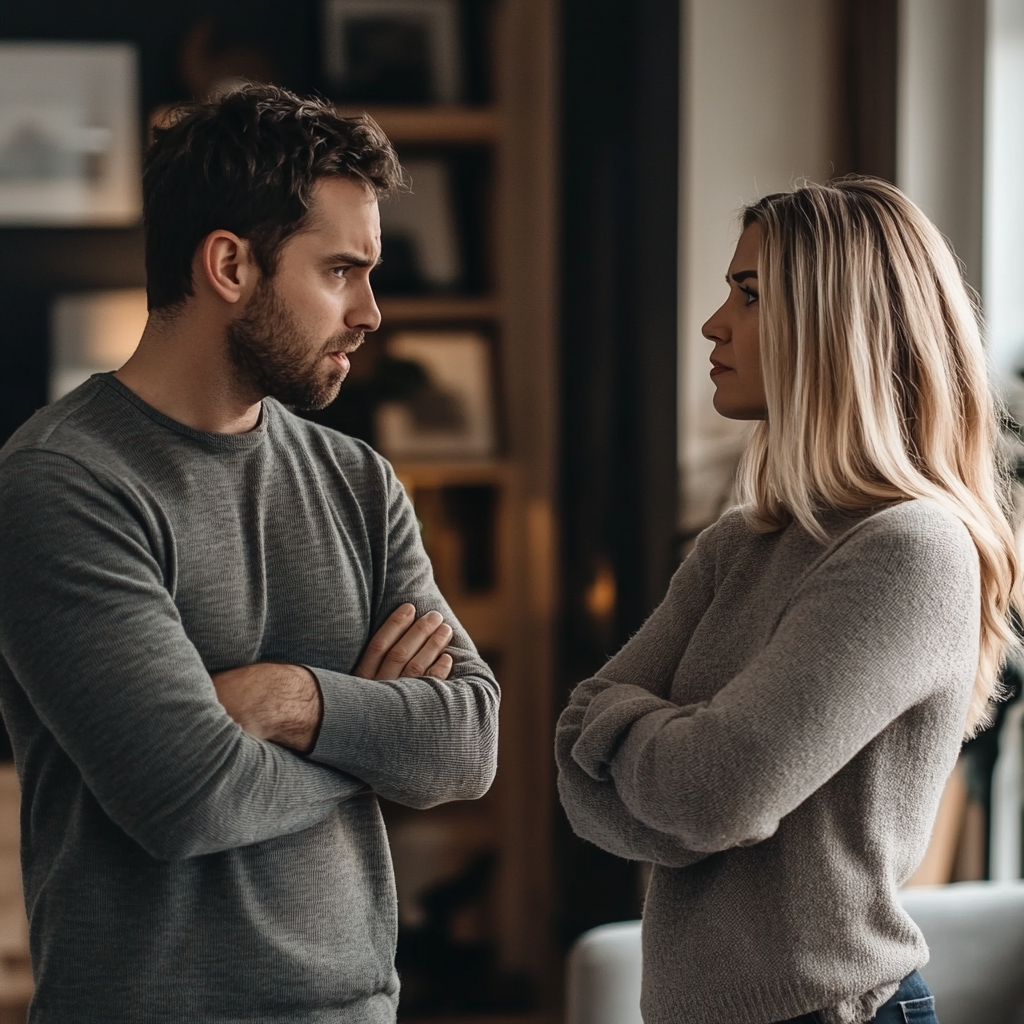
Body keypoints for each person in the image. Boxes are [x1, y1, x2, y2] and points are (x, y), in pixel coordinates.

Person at [0, 84, 499, 1023]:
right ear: (230, 265)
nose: (372, 314)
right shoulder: (60, 485)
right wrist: (371, 725)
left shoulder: (357, 480)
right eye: (341, 271)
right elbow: (186, 795)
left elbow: (466, 741)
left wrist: (290, 700)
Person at [556, 177, 1019, 1024]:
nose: (712, 324)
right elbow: (576, 762)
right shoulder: (741, 542)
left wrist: (634, 739)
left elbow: (719, 792)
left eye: (750, 294)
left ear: (838, 325)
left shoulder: (911, 549)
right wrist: (680, 770)